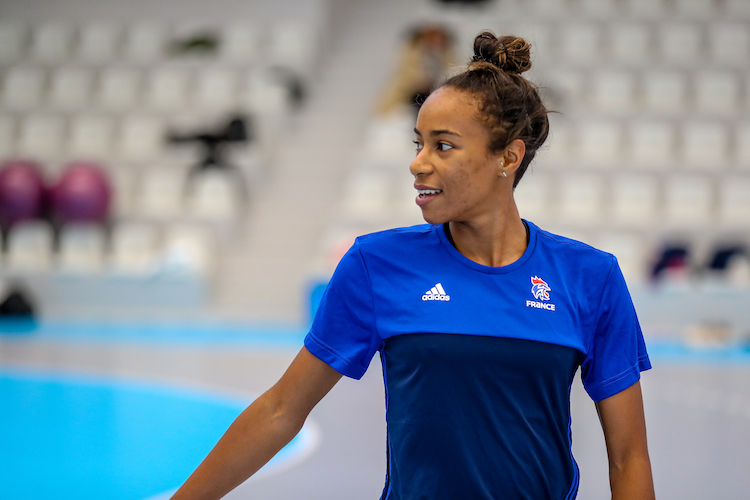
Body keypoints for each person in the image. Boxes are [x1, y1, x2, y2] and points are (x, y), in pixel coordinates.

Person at [172, 31, 654, 500]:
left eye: (443, 145)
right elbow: (281, 410)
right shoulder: (376, 264)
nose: (418, 163)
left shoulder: (591, 277)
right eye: (418, 143)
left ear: (508, 156)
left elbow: (628, 457)